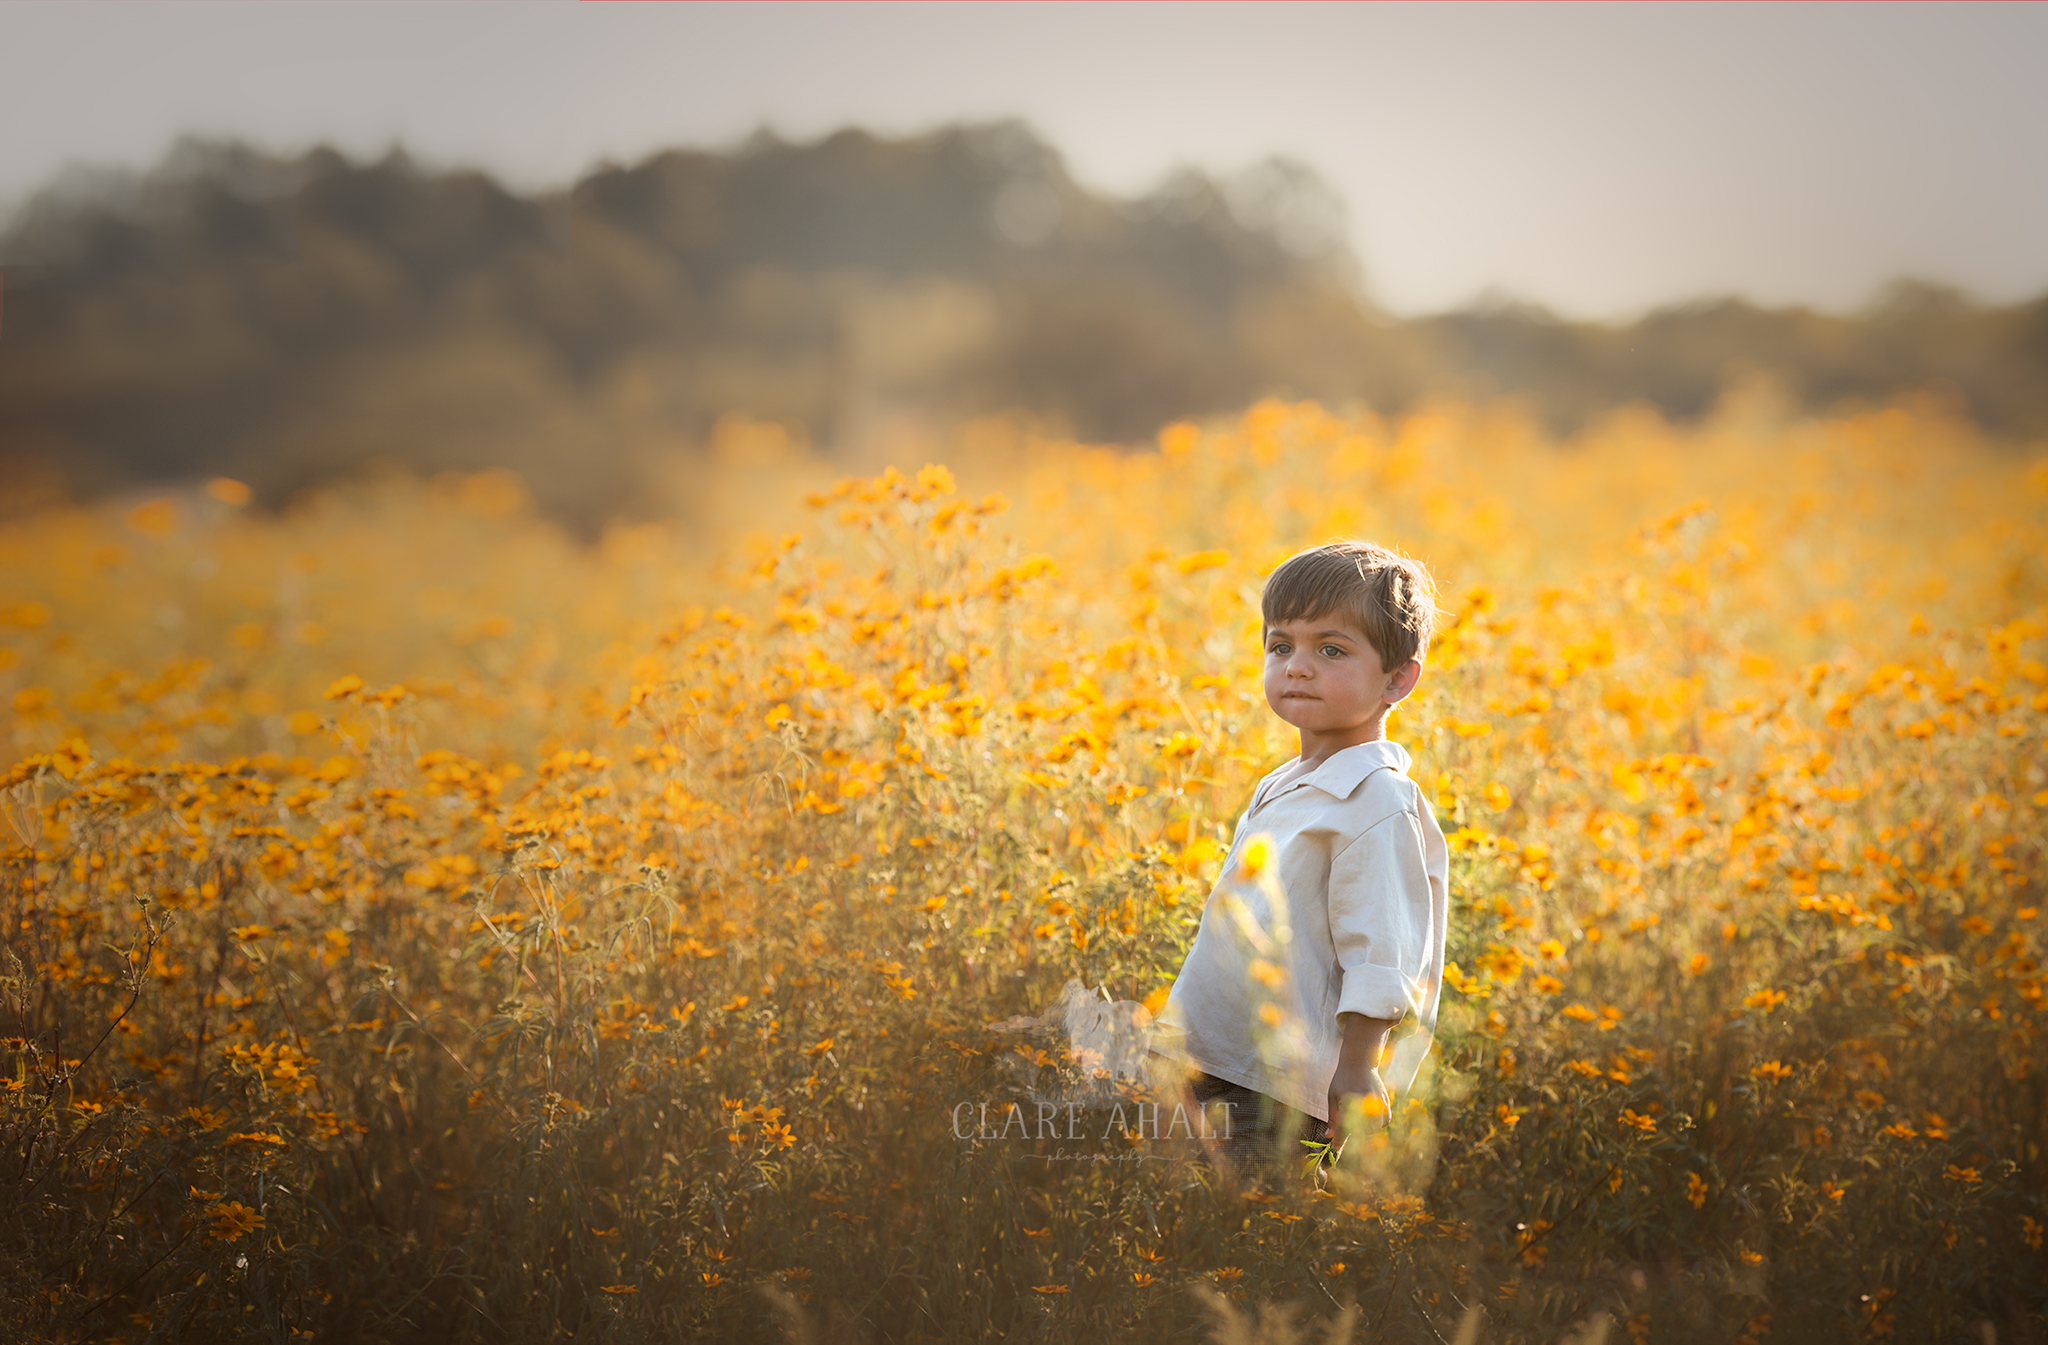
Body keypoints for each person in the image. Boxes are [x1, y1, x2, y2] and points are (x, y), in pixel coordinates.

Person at [1146, 540, 1451, 1182]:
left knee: (1279, 1219)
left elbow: (1383, 950)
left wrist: (1360, 1067)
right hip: (1215, 1062)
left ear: (1397, 679)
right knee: (1203, 1226)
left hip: (1289, 1094)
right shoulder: (1289, 782)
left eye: (1331, 650)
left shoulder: (1378, 801)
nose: (1298, 667)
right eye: (1281, 646)